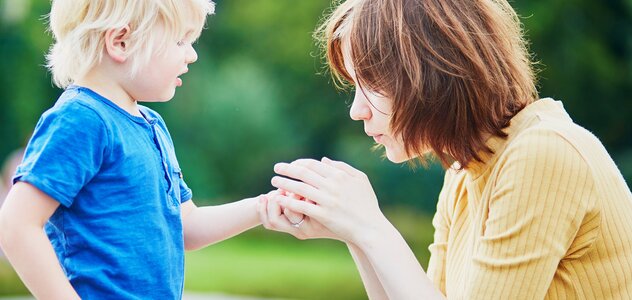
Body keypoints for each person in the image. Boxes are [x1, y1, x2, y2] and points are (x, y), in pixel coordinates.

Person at [258, 0, 632, 299]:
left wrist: (371, 226)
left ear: (432, 72)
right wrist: (354, 233)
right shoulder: (466, 172)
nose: (357, 110)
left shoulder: (544, 154)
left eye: (371, 83)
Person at [0, 1, 264, 298]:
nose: (192, 55)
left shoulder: (151, 124)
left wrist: (262, 208)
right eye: (180, 40)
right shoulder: (81, 119)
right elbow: (16, 224)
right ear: (120, 42)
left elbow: (186, 224)